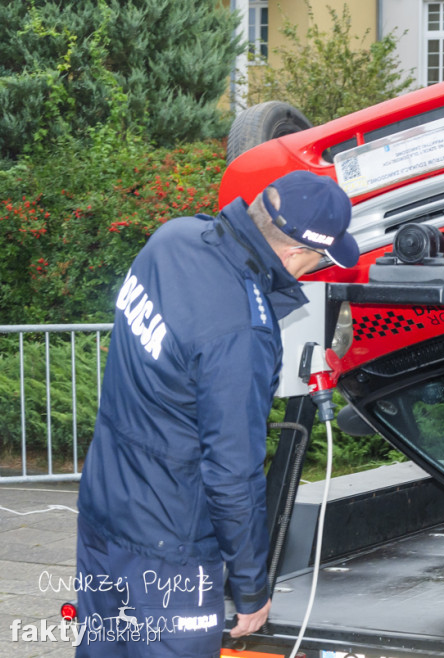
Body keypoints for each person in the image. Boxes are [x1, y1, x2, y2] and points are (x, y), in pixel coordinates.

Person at [75, 171, 358, 657]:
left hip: (105, 509)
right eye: (318, 260)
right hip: (169, 549)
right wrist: (251, 588)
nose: (312, 272)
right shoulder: (241, 332)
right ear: (294, 254)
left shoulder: (173, 237)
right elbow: (232, 471)